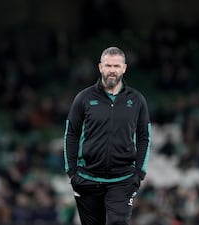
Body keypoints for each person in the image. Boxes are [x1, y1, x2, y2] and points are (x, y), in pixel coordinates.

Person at [63, 46, 152, 225]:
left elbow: (144, 137)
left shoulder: (136, 100)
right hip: (87, 178)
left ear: (124, 68)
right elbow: (71, 134)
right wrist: (72, 171)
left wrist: (139, 173)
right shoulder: (83, 98)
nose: (112, 70)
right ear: (100, 67)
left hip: (123, 179)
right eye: (108, 65)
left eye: (117, 66)